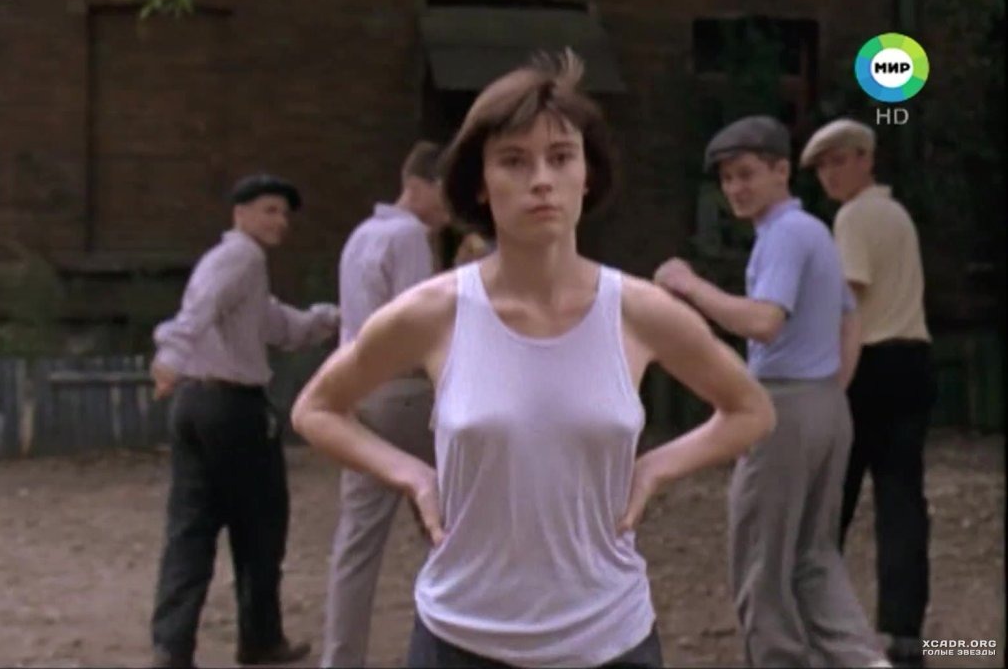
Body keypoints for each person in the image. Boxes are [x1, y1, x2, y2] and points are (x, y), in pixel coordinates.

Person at [291, 50, 776, 668]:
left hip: (608, 637)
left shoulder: (640, 311)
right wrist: (412, 476)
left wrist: (655, 469)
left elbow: (750, 410)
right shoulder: (434, 312)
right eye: (514, 161)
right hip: (460, 636)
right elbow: (316, 408)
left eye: (561, 157)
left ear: (587, 175)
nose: (541, 179)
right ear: (480, 183)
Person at [654, 115, 891, 668]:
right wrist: (829, 392)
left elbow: (764, 322)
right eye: (727, 179)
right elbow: (850, 320)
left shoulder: (785, 235)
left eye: (747, 174)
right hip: (825, 404)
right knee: (813, 557)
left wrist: (689, 286)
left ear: (781, 171)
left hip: (784, 402)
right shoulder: (815, 231)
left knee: (761, 558)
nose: (735, 188)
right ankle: (864, 660)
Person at [148, 173, 339, 668]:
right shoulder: (241, 257)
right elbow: (200, 307)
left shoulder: (241, 270)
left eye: (284, 214)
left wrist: (328, 319)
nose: (280, 222)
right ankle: (259, 637)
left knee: (190, 527)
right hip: (232, 407)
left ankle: (172, 646)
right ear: (241, 214)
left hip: (195, 404)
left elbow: (276, 324)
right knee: (260, 525)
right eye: (269, 210)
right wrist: (171, 354)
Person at [801, 118, 933, 668]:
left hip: (870, 361)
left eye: (839, 161)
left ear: (865, 159)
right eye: (822, 167)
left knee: (833, 496)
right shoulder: (896, 214)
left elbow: (847, 301)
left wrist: (828, 378)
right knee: (901, 499)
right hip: (914, 357)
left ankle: (817, 621)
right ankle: (903, 633)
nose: (830, 175)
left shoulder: (853, 218)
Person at [321, 140, 451, 667]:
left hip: (359, 393)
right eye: (446, 194)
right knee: (451, 527)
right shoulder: (410, 237)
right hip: (406, 394)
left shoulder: (362, 235)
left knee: (357, 543)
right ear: (420, 186)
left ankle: (341, 658)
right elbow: (420, 325)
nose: (450, 209)